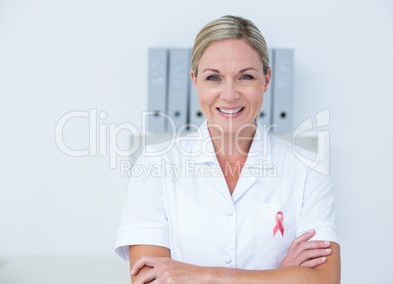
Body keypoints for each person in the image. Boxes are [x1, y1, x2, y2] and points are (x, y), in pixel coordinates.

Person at [115, 15, 340, 283]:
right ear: (195, 80)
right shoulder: (154, 165)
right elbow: (149, 280)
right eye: (214, 78)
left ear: (266, 80)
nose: (230, 94)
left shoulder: (307, 168)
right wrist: (279, 275)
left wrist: (199, 274)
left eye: (246, 76)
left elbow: (324, 280)